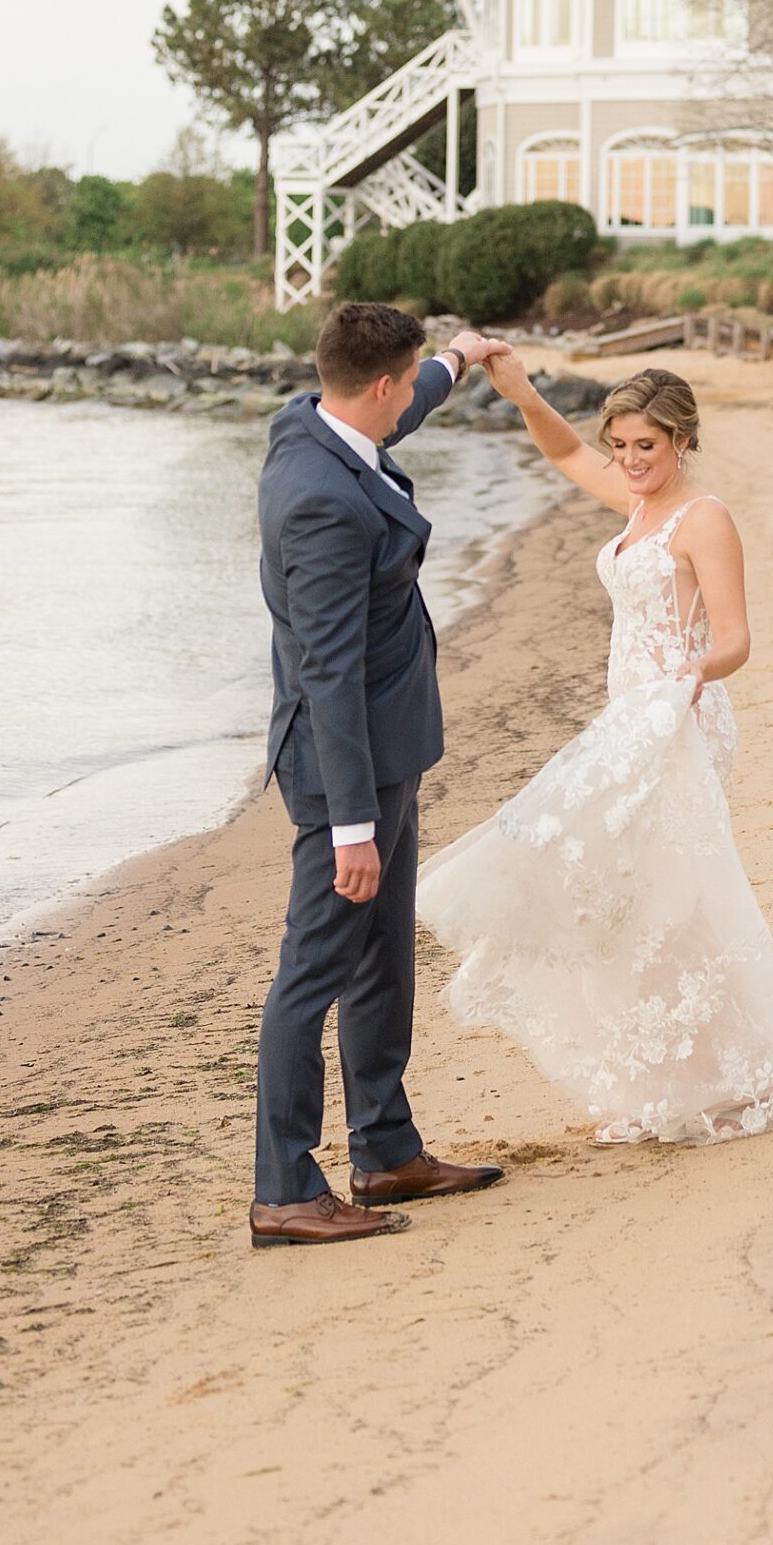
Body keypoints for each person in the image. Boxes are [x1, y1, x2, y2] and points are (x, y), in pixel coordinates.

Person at [416, 362, 773, 1146]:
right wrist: (520, 390)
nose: (628, 459)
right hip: (627, 724)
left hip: (678, 723)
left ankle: (727, 1078)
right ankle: (665, 1083)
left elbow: (734, 639)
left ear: (682, 440)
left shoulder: (702, 520)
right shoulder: (635, 505)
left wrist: (690, 676)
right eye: (620, 445)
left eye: (646, 445)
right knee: (631, 904)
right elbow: (564, 456)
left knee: (667, 901)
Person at [250, 301, 514, 1247]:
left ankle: (385, 1154)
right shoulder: (320, 500)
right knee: (311, 975)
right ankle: (284, 1188)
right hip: (340, 771)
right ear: (376, 384)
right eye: (406, 382)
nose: (406, 400)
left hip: (384, 751)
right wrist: (352, 826)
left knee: (379, 962)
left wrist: (455, 359)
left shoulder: (312, 423)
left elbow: (396, 412)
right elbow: (325, 669)